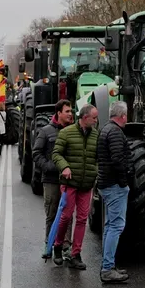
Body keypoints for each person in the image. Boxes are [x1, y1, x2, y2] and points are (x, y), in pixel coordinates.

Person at [51, 102, 100, 269]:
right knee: (66, 216)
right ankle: (57, 245)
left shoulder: (95, 135)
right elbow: (56, 154)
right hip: (70, 183)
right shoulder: (66, 133)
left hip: (86, 184)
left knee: (82, 219)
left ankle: (75, 253)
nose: (96, 121)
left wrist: (96, 172)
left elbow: (97, 158)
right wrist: (64, 167)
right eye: (93, 118)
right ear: (85, 118)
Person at [95, 101, 133, 283]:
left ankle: (108, 264)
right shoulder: (116, 132)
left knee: (110, 225)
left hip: (105, 183)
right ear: (123, 116)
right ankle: (108, 268)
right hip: (114, 185)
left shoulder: (105, 129)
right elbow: (118, 160)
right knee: (116, 226)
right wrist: (124, 182)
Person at [33, 99, 73, 259]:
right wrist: (50, 167)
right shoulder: (46, 131)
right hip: (51, 180)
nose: (70, 114)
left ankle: (66, 246)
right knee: (51, 213)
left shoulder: (73, 131)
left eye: (71, 111)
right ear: (59, 113)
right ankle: (48, 243)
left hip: (69, 180)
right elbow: (36, 153)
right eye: (67, 111)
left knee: (68, 214)